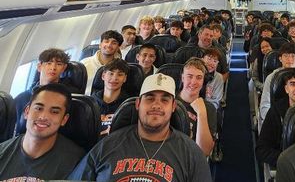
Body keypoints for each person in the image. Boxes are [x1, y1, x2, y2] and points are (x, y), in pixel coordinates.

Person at [69, 73, 211, 181]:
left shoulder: (191, 153)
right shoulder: (107, 146)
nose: (156, 105)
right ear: (138, 104)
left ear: (173, 107)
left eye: (164, 100)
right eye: (149, 98)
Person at [0, 84, 85, 180]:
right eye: (39, 108)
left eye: (54, 112)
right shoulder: (2, 153)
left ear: (64, 120)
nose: (43, 116)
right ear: (27, 112)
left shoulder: (78, 162)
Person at [14, 48, 79, 134]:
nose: (53, 68)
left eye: (59, 64)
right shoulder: (22, 98)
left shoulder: (70, 96)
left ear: (64, 68)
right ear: (39, 66)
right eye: (49, 63)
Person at [256, 70, 295, 167]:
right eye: (292, 84)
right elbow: (262, 149)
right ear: (286, 89)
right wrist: (288, 161)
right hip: (285, 164)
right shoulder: (275, 112)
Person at [177, 58, 217, 156]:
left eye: (199, 77)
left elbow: (204, 152)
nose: (193, 82)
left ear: (203, 81)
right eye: (189, 76)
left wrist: (201, 113)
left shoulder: (209, 108)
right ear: (182, 78)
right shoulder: (169, 102)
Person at [259, 42, 295, 129]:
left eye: (293, 56)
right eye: (286, 56)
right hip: (276, 120)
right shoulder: (272, 78)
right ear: (280, 59)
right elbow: (265, 106)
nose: (289, 59)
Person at [91, 58, 130, 137]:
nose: (114, 78)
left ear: (125, 78)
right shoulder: (91, 102)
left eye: (120, 74)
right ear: (103, 76)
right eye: (111, 73)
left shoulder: (128, 106)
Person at [81, 30, 123, 95]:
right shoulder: (84, 64)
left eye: (114, 43)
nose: (109, 45)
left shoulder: (121, 68)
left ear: (118, 48)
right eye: (106, 41)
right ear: (100, 45)